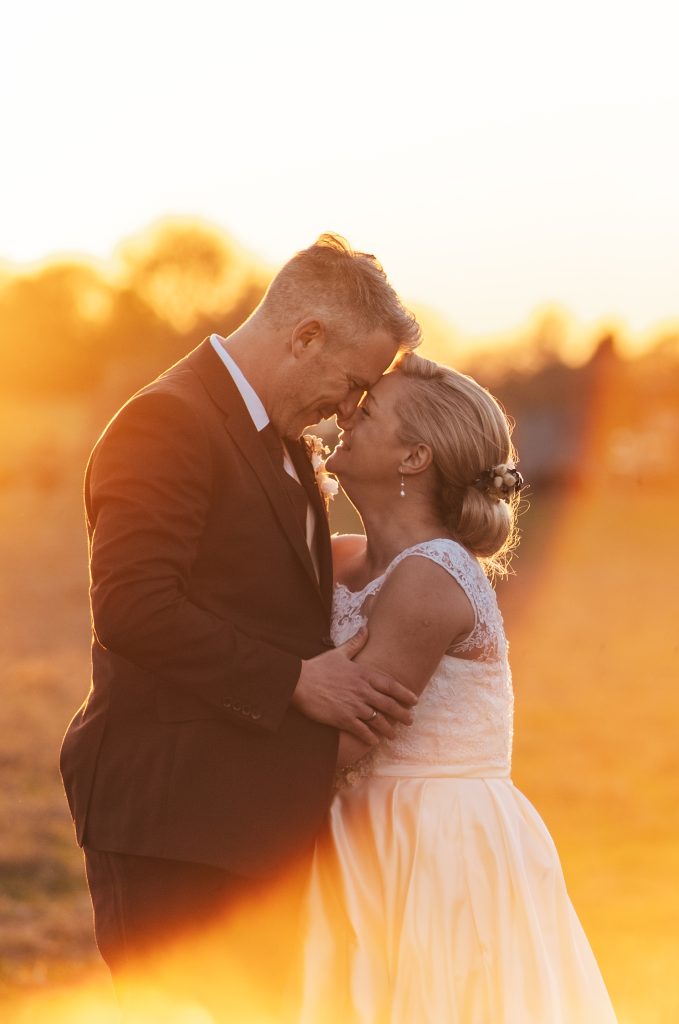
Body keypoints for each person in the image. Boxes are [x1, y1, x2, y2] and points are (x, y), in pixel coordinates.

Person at [59, 233, 422, 1019]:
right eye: (352, 382)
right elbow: (132, 606)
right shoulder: (167, 421)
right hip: (172, 818)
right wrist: (294, 679)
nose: (349, 408)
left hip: (250, 821)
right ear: (304, 337)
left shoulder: (285, 443)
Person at [300, 353, 617, 1023]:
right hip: (353, 826)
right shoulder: (340, 555)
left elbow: (345, 738)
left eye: (369, 408)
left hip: (428, 843)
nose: (345, 412)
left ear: (413, 457)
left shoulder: (432, 575)